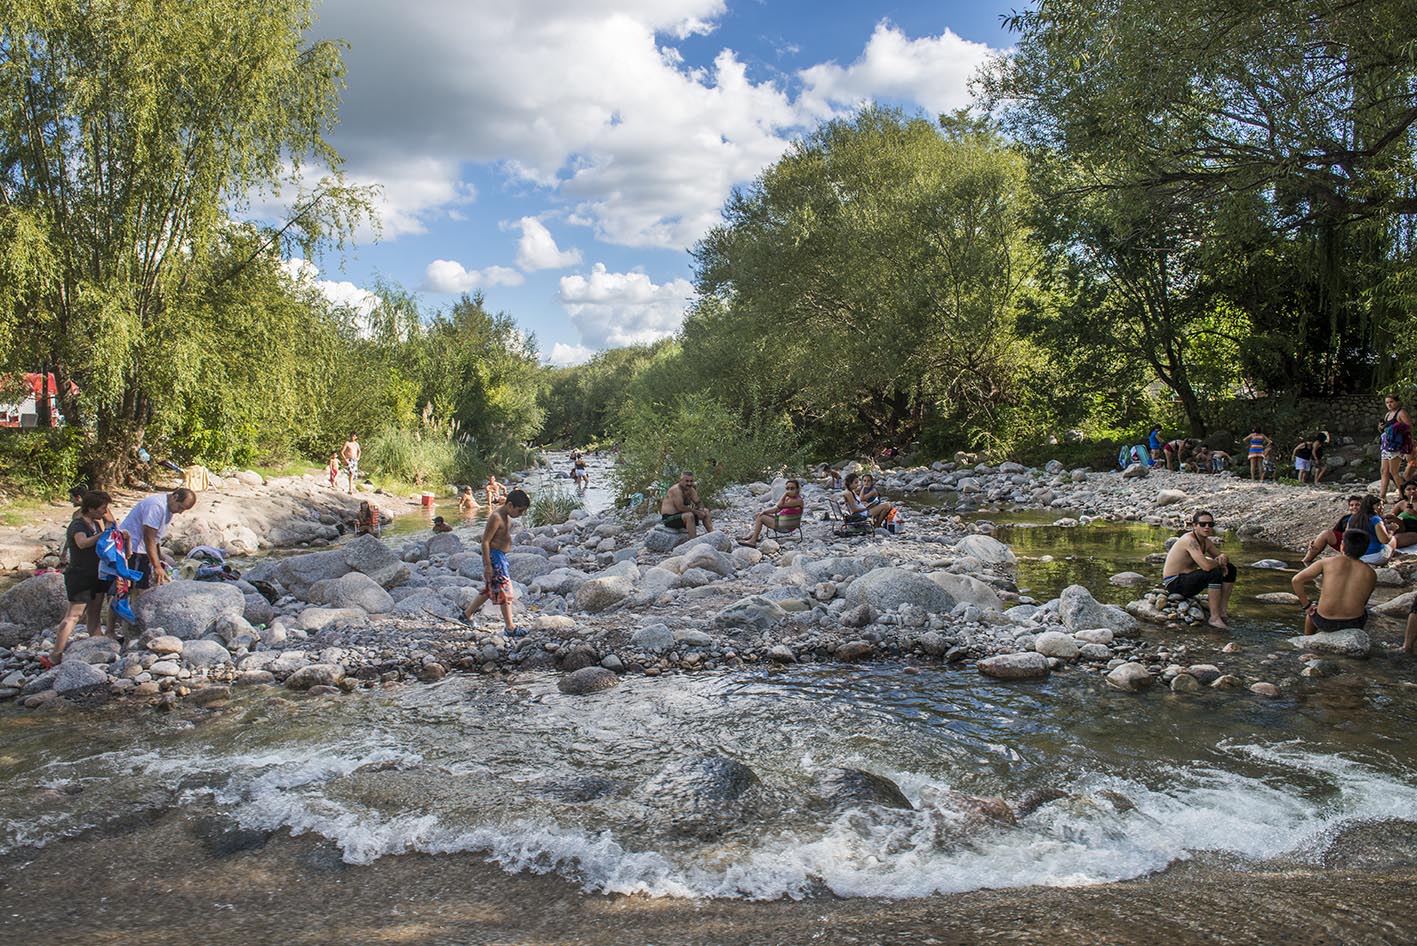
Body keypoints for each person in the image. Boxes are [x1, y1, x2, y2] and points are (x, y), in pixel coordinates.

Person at [42, 491, 114, 668]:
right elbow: (82, 543)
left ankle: (96, 645)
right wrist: (103, 535)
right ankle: (55, 654)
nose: (104, 511)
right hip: (81, 576)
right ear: (90, 508)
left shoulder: (96, 523)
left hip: (97, 575)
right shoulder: (78, 525)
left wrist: (109, 526)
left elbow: (110, 526)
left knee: (95, 614)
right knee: (74, 615)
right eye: (102, 508)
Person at [462, 488, 530, 636]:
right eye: (520, 511)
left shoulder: (505, 515)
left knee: (489, 589)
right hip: (495, 558)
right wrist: (487, 565)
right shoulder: (496, 517)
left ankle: (466, 615)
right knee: (505, 590)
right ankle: (510, 628)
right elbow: (485, 541)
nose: (521, 514)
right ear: (510, 505)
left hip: (500, 557)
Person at [1292, 530, 1377, 636]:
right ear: (1365, 550)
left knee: (1311, 612)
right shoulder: (1371, 573)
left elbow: (1296, 580)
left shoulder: (1326, 562)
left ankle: (1307, 639)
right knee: (1365, 611)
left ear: (1342, 545)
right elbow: (1363, 602)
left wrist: (1307, 606)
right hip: (1354, 623)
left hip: (1324, 621)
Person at [1161, 510, 1236, 630]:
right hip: (1175, 583)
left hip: (1188, 579)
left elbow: (1222, 557)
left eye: (1210, 524)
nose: (1207, 527)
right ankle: (1214, 618)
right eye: (1202, 524)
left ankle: (1222, 611)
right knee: (1214, 573)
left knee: (1230, 569)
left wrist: (1223, 557)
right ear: (1194, 525)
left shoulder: (1206, 542)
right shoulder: (1190, 540)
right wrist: (1219, 562)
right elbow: (1206, 566)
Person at [739, 479, 805, 547]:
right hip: (783, 521)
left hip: (787, 526)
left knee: (761, 518)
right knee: (760, 515)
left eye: (792, 488)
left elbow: (779, 505)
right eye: (787, 489)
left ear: (797, 489)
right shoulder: (789, 498)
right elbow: (777, 509)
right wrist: (764, 512)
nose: (789, 491)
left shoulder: (798, 501)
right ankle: (755, 535)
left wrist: (785, 494)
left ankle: (753, 541)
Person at [1302, 495, 1365, 565]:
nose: (1354, 507)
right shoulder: (1346, 518)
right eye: (1351, 505)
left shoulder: (1368, 518)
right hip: (1345, 544)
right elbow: (1334, 533)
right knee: (1326, 533)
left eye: (1357, 505)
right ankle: (1306, 561)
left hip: (1361, 545)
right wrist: (1315, 542)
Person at [1348, 494, 1398, 565]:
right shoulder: (1375, 519)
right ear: (1370, 506)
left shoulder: (1352, 518)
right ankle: (1386, 562)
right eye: (1378, 505)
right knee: (1393, 539)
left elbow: (1347, 536)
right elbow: (1384, 540)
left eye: (1382, 505)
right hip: (1375, 557)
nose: (1382, 507)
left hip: (1357, 556)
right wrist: (1392, 530)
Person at [660, 471, 714, 537]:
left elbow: (699, 502)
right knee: (689, 515)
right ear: (681, 480)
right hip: (669, 518)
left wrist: (701, 510)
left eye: (691, 481)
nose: (689, 483)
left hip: (682, 515)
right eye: (687, 481)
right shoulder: (675, 490)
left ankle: (712, 534)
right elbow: (680, 507)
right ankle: (693, 539)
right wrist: (696, 512)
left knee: (706, 511)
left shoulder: (691, 490)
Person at [1380, 395, 1413, 500]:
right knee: (1384, 471)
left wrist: (1396, 428)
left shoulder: (1401, 413)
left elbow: (1409, 427)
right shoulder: (1388, 414)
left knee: (1394, 471)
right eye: (1387, 402)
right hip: (1386, 445)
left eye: (1391, 402)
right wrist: (1381, 428)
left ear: (1397, 402)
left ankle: (1404, 495)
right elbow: (1384, 429)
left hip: (1396, 446)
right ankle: (1382, 497)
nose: (1389, 404)